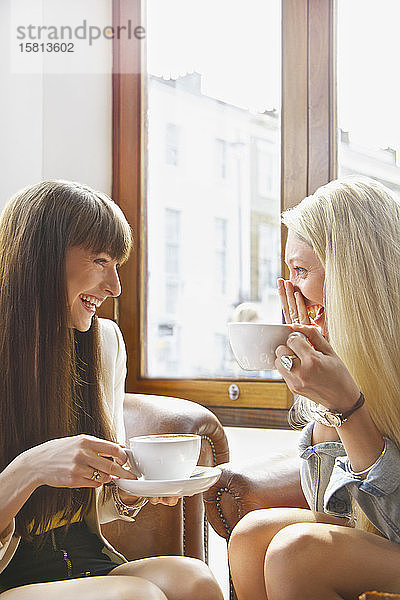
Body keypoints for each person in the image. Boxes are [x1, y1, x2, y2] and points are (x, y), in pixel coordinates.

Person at [0, 180, 223, 600]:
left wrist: (137, 489)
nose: (115, 287)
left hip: (83, 554)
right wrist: (29, 470)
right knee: (135, 597)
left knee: (195, 580)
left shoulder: (103, 342)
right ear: (41, 260)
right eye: (101, 261)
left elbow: (98, 501)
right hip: (9, 571)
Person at [228, 177, 400, 600]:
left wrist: (348, 409)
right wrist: (323, 401)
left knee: (297, 552)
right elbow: (331, 508)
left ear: (351, 275)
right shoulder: (350, 362)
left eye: (301, 271)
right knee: (251, 535)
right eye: (288, 272)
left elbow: (395, 524)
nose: (290, 291)